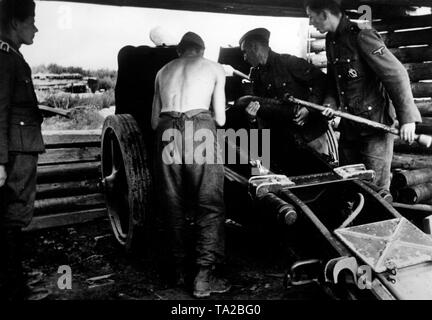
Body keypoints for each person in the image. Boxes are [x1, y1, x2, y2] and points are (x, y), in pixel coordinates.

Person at [305, 0, 422, 191]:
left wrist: (407, 118)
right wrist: (330, 104)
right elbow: (335, 80)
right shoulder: (331, 40)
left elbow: (396, 74)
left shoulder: (362, 35)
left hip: (375, 128)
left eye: (311, 16)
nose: (311, 23)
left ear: (324, 13)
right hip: (350, 127)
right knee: (348, 185)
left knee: (376, 192)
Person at [151, 32, 230, 298]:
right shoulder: (213, 68)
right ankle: (203, 278)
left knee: (171, 202)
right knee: (209, 202)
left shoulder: (162, 71)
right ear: (202, 50)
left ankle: (178, 271)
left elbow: (153, 122)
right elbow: (220, 119)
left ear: (179, 52)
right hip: (199, 129)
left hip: (166, 131)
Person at [0, 0, 46, 300]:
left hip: (19, 149)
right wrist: (0, 161)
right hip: (15, 152)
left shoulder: (13, 56)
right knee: (11, 218)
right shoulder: (5, 58)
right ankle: (14, 289)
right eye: (31, 21)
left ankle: (14, 280)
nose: (36, 27)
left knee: (12, 218)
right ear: (15, 23)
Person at [239, 28, 333, 168]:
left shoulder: (289, 62)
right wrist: (252, 118)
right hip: (285, 140)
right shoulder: (256, 75)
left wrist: (309, 108)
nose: (244, 58)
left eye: (245, 52)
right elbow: (263, 109)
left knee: (322, 175)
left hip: (310, 135)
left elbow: (322, 81)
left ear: (255, 47)